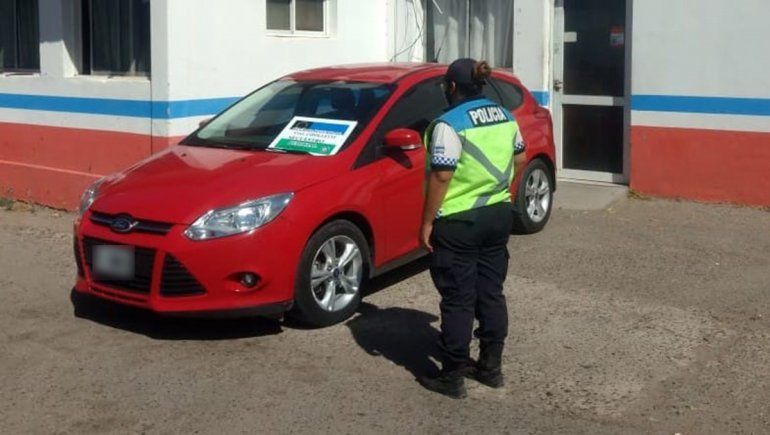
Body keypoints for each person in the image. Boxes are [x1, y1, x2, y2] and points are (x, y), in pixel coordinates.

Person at [418, 58, 527, 399]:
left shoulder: (448, 124)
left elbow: (442, 174)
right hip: (497, 214)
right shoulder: (504, 114)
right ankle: (491, 368)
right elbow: (520, 158)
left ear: (451, 87)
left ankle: (452, 377)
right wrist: (499, 188)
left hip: (459, 222)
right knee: (491, 292)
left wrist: (426, 221)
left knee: (458, 299)